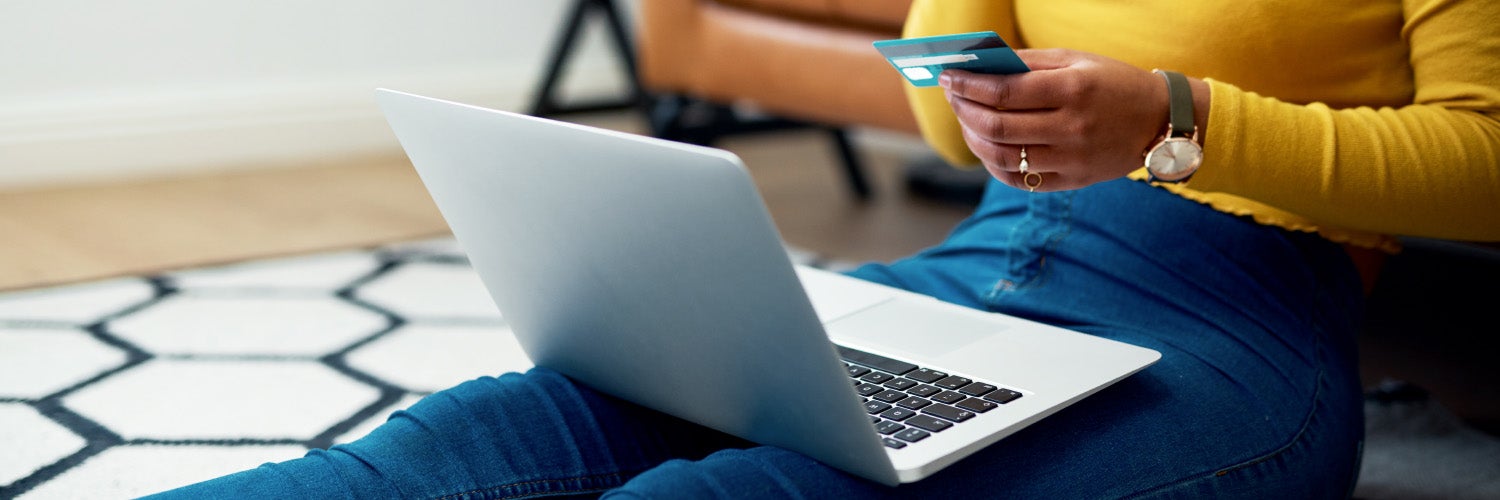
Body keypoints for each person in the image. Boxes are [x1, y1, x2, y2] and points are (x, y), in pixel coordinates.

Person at [148, 0, 1498, 497]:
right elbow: (935, 97)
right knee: (490, 431)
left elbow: (1486, 164)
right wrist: (973, 72)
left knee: (756, 494)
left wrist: (1179, 119)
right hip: (983, 273)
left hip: (1230, 324)